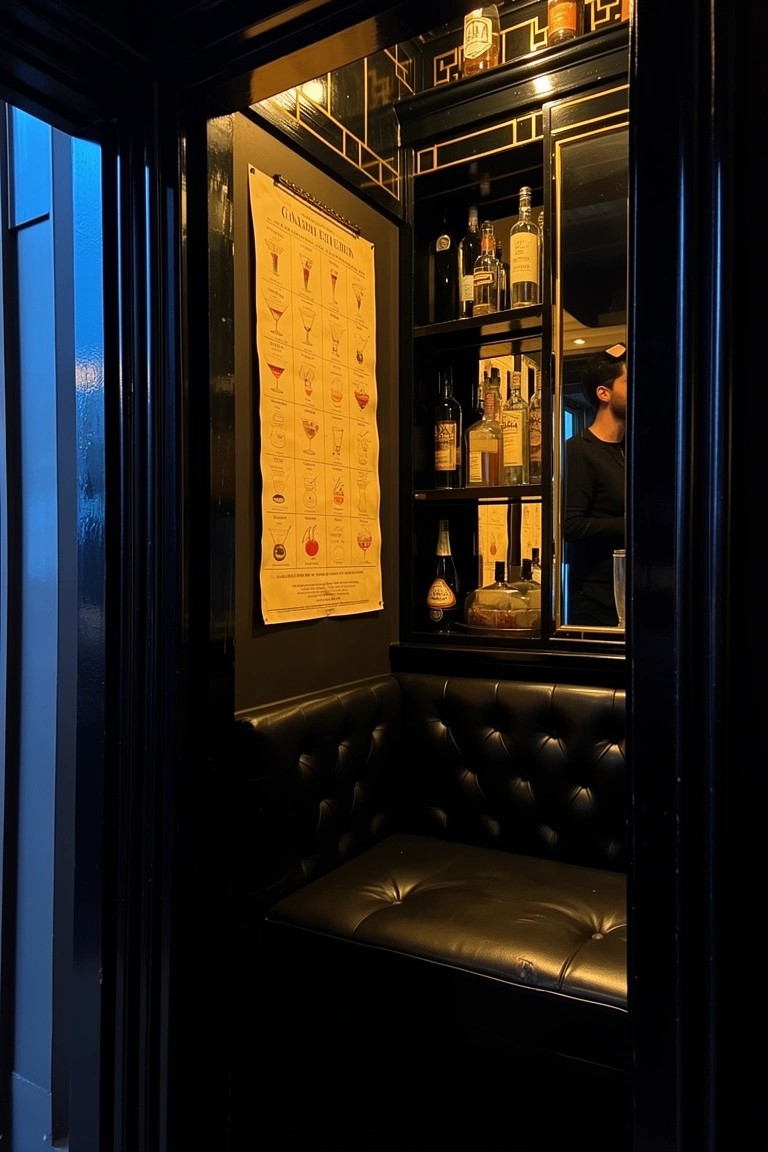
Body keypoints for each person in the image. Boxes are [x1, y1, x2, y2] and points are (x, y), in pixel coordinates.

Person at [563, 346, 627, 627]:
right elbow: (571, 525)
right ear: (604, 393)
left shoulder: (632, 449)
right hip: (596, 603)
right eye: (629, 382)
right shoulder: (579, 450)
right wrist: (633, 524)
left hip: (634, 595)